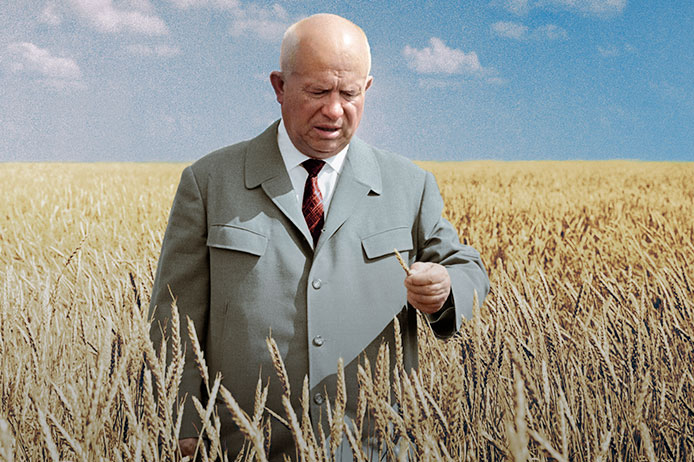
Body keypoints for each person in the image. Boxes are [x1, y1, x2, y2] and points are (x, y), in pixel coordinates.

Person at [148, 13, 490, 460]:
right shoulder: (210, 182)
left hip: (372, 448)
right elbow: (174, 316)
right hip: (245, 447)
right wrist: (182, 424)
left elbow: (466, 266)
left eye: (349, 94)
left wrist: (446, 289)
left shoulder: (410, 185)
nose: (334, 110)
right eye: (317, 91)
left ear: (367, 90)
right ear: (279, 87)